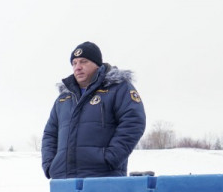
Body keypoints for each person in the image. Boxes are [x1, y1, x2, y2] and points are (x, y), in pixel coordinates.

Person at [41, 41, 146, 179]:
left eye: (83, 62)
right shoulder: (64, 98)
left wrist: (111, 158)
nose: (77, 67)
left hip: (102, 178)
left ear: (97, 64)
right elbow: (50, 134)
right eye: (74, 63)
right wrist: (50, 165)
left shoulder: (117, 88)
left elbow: (134, 121)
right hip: (64, 180)